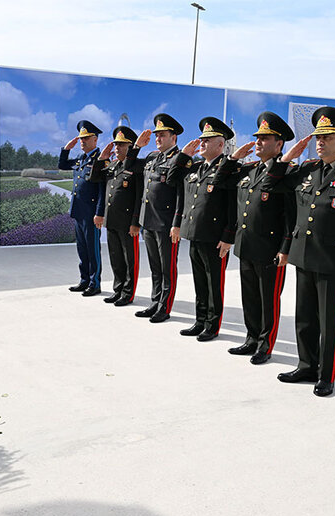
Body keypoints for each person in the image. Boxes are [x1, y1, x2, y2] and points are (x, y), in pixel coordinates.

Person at [265, 106, 335, 397]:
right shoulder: (309, 169)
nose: (319, 142)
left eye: (327, 138)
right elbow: (271, 183)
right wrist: (288, 157)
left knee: (330, 321)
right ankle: (306, 365)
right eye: (318, 137)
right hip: (304, 255)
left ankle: (326, 375)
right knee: (304, 316)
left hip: (334, 261)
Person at [219, 112, 295, 364]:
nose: (259, 142)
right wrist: (232, 159)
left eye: (265, 138)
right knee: (249, 296)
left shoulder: (285, 173)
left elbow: (289, 216)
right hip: (246, 245)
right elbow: (220, 182)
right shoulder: (249, 169)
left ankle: (265, 344)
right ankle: (251, 338)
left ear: (279, 143)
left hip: (270, 249)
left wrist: (285, 248)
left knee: (268, 300)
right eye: (258, 138)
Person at [124, 114, 192, 323]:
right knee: (154, 266)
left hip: (166, 224)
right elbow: (129, 165)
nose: (158, 139)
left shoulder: (180, 160)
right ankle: (154, 302)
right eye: (156, 135)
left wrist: (177, 224)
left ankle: (165, 306)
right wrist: (136, 147)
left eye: (162, 135)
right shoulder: (153, 158)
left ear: (174, 137)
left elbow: (182, 194)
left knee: (167, 267)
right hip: (149, 221)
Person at [178, 117, 236, 342]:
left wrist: (228, 236)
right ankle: (200, 320)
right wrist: (184, 156)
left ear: (220, 145)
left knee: (214, 283)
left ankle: (212, 325)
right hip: (196, 234)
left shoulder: (228, 169)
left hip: (215, 238)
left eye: (207, 140)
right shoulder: (197, 168)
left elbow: (233, 205)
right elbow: (174, 179)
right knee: (200, 281)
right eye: (201, 139)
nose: (201, 143)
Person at [91, 126, 143, 307]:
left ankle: (128, 293)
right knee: (116, 258)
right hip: (112, 220)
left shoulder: (137, 167)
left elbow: (139, 196)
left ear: (131, 147)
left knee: (130, 260)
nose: (117, 148)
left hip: (128, 223)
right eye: (115, 145)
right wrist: (102, 158)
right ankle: (118, 289)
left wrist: (136, 222)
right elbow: (94, 177)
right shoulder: (112, 166)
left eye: (121, 145)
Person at [59, 120, 105, 297]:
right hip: (78, 211)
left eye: (85, 139)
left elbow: (101, 189)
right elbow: (62, 165)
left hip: (91, 213)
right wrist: (66, 149)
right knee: (82, 248)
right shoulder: (81, 159)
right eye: (80, 139)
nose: (82, 142)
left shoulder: (100, 160)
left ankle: (95, 283)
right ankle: (84, 280)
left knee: (93, 250)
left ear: (95, 139)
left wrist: (99, 213)